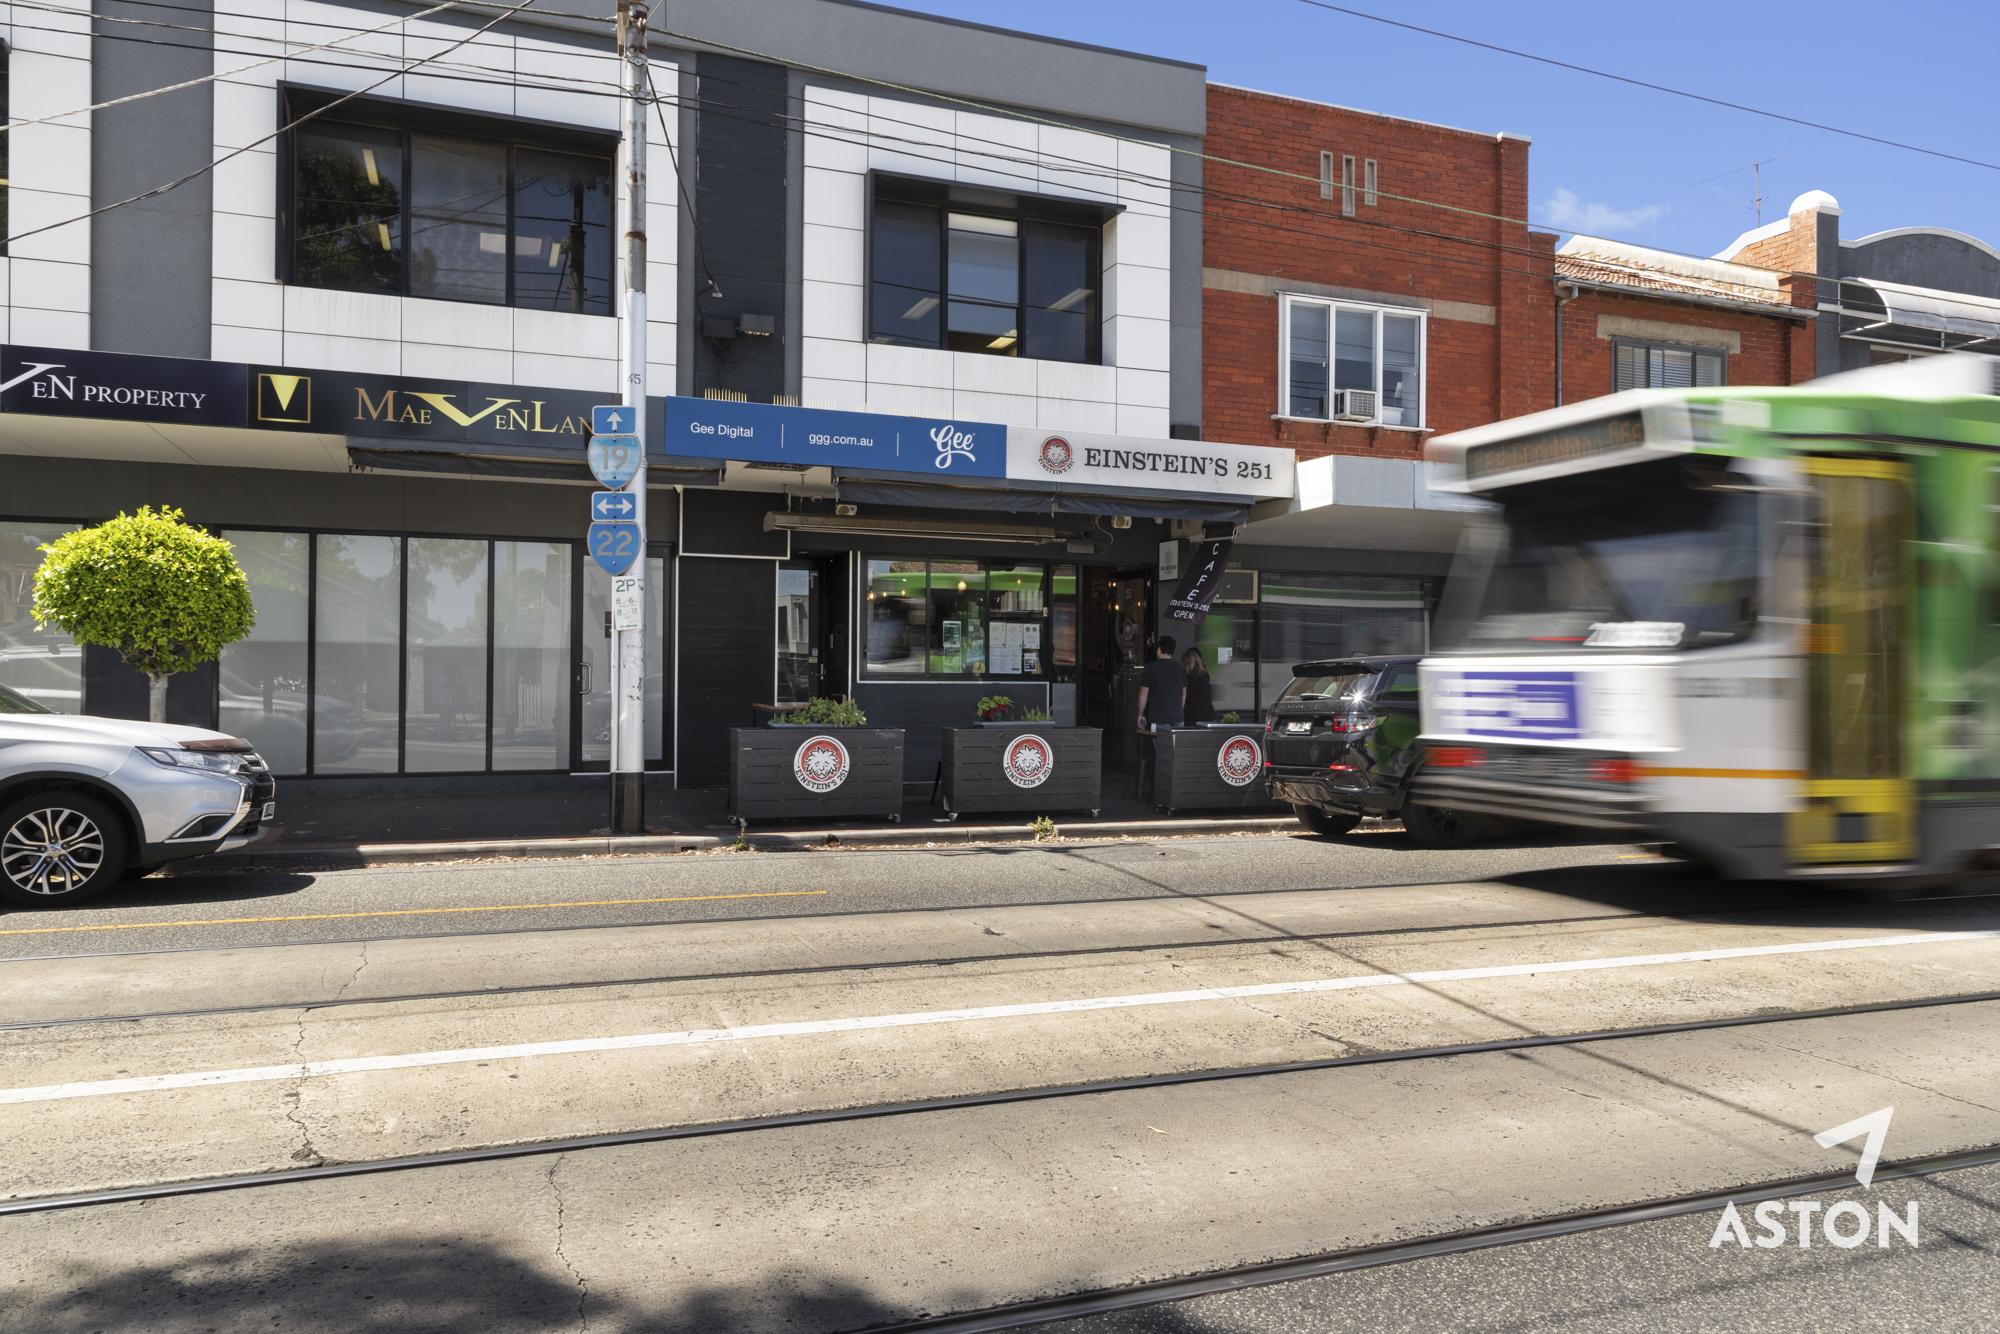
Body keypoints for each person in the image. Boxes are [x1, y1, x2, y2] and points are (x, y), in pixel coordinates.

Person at [1136, 635, 1187, 731]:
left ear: (1159, 649)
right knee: (1176, 741)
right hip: (1178, 717)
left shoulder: (1150, 668)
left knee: (1159, 741)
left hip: (1159, 717)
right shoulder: (1181, 669)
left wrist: (1140, 714)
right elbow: (1183, 694)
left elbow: (1143, 693)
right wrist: (1177, 712)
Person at [1181, 647, 1214, 725]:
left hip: (1196, 714)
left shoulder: (1193, 677)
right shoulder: (1202, 673)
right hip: (1204, 713)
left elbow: (1186, 693)